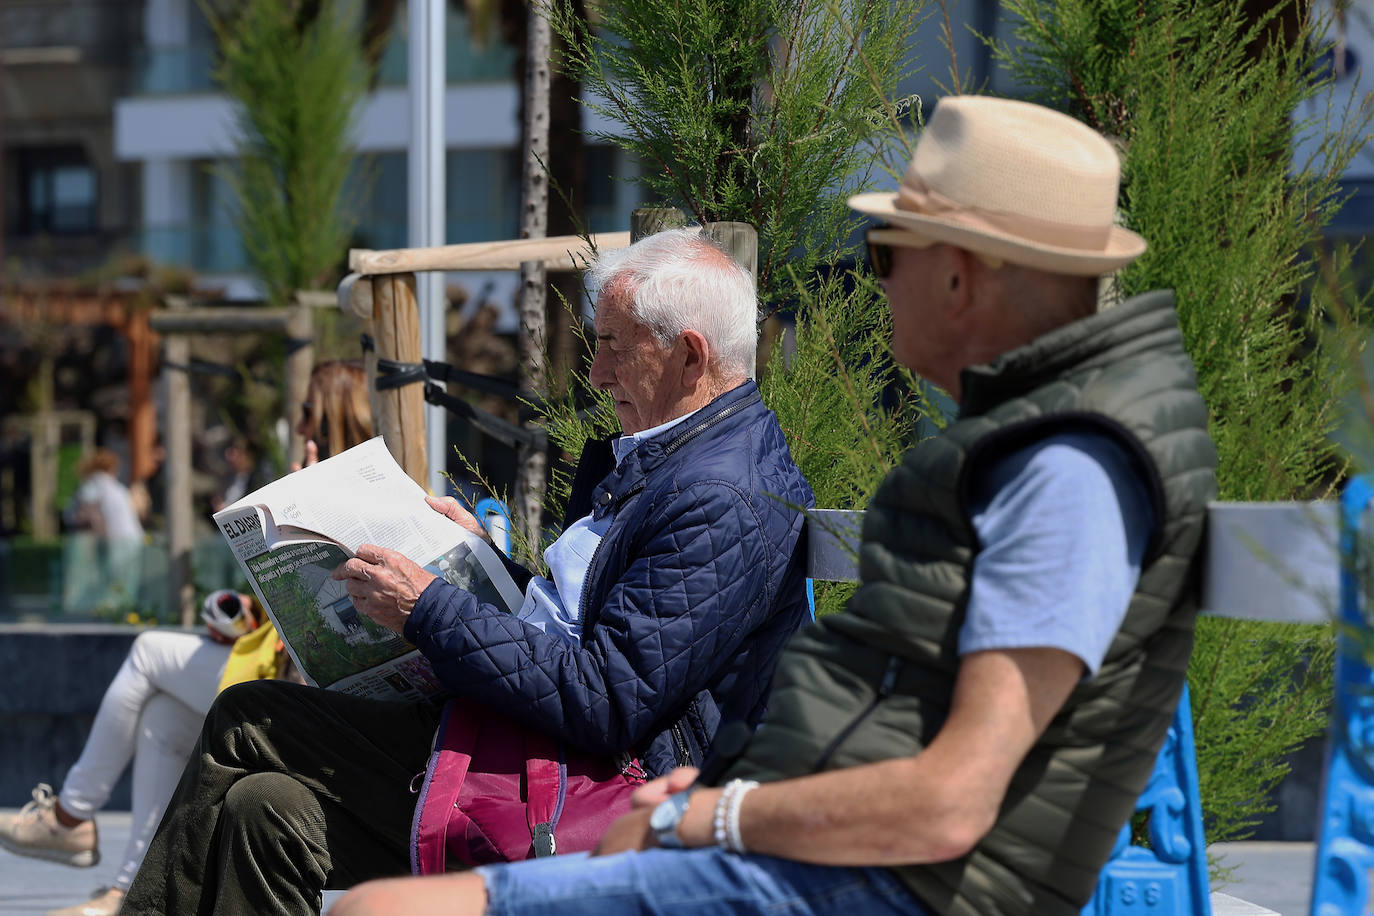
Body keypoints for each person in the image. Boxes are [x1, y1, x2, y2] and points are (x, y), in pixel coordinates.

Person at [335, 96, 1221, 916]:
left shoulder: (1064, 477)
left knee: (383, 909)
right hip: (815, 852)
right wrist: (730, 801)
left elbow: (951, 803)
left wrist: (718, 818)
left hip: (878, 886)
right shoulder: (1036, 453)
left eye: (888, 253)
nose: (879, 285)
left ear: (962, 277)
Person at [120, 228, 814, 916]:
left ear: (689, 355)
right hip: (526, 744)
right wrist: (480, 563)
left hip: (585, 778)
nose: (598, 374)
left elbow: (606, 696)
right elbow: (594, 628)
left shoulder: (718, 497)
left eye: (612, 347)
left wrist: (430, 607)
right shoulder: (684, 457)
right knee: (262, 811)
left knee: (247, 717)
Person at [1, 362, 375, 916]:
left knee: (149, 650)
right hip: (272, 656)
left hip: (302, 687)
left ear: (328, 415)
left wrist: (304, 501)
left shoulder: (351, 488)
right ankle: (126, 892)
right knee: (161, 717)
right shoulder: (307, 469)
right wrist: (244, 610)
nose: (297, 425)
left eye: (304, 412)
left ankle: (70, 818)